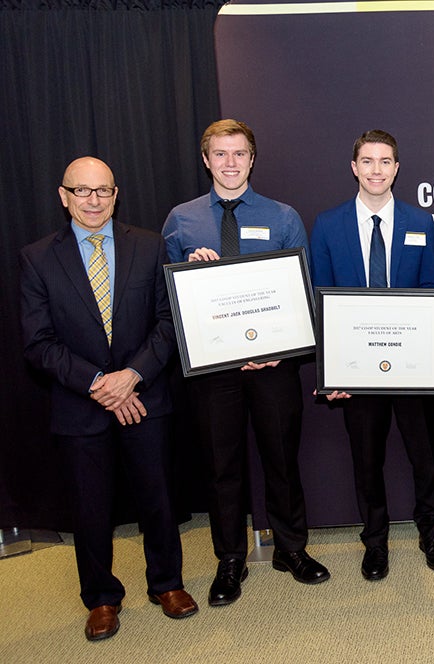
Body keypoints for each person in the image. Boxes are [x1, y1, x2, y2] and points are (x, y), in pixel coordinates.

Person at [21, 157, 198, 641]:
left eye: (103, 191)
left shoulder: (149, 245)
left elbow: (168, 323)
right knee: (90, 508)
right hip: (82, 405)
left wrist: (133, 375)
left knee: (158, 499)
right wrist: (102, 383)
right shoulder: (38, 258)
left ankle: (167, 583)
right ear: (64, 196)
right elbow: (38, 342)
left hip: (145, 397)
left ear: (116, 194)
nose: (93, 200)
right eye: (82, 191)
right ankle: (100, 598)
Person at [162, 119, 328, 606]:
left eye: (239, 154)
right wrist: (192, 276)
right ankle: (230, 559)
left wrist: (282, 346)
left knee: (281, 459)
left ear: (252, 159)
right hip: (214, 372)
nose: (230, 163)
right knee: (222, 467)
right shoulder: (181, 220)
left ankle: (292, 549)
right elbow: (169, 301)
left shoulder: (282, 216)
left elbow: (303, 295)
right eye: (220, 154)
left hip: (274, 367)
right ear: (206, 160)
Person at [310, 129, 434, 579]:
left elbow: (430, 284)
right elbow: (322, 300)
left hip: (412, 366)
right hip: (356, 369)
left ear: (396, 168)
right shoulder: (328, 225)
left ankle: (432, 532)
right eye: (367, 161)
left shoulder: (419, 222)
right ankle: (375, 541)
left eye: (385, 161)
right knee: (366, 459)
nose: (376, 170)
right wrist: (330, 372)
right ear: (354, 167)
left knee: (424, 454)